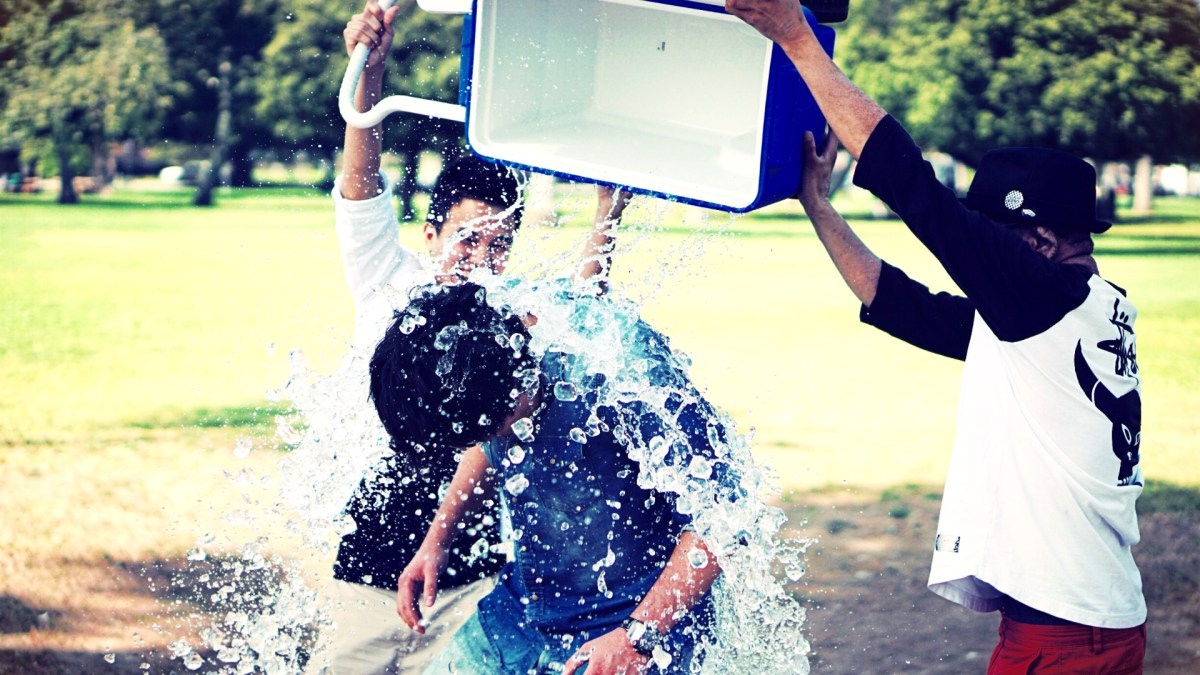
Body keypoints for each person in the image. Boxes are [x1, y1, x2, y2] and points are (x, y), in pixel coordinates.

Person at [725, 0, 1146, 672]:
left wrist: (798, 39)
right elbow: (898, 302)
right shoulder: (1068, 309)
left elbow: (916, 190)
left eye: (994, 240)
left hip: (1065, 639)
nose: (981, 253)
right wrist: (818, 204)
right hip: (1091, 622)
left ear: (1039, 241)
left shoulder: (1041, 297)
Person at [320, 2, 632, 673]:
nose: (482, 260)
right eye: (467, 239)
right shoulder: (388, 281)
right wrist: (370, 74)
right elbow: (360, 181)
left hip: (478, 574)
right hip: (369, 567)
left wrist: (607, 210)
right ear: (428, 235)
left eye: (500, 246)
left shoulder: (508, 321)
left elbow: (587, 317)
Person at [370, 280, 736, 674]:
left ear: (509, 397)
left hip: (634, 630)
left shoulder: (617, 364)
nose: (489, 442)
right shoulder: (485, 346)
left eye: (489, 431)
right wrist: (437, 539)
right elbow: (485, 441)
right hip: (520, 617)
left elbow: (724, 516)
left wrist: (639, 635)